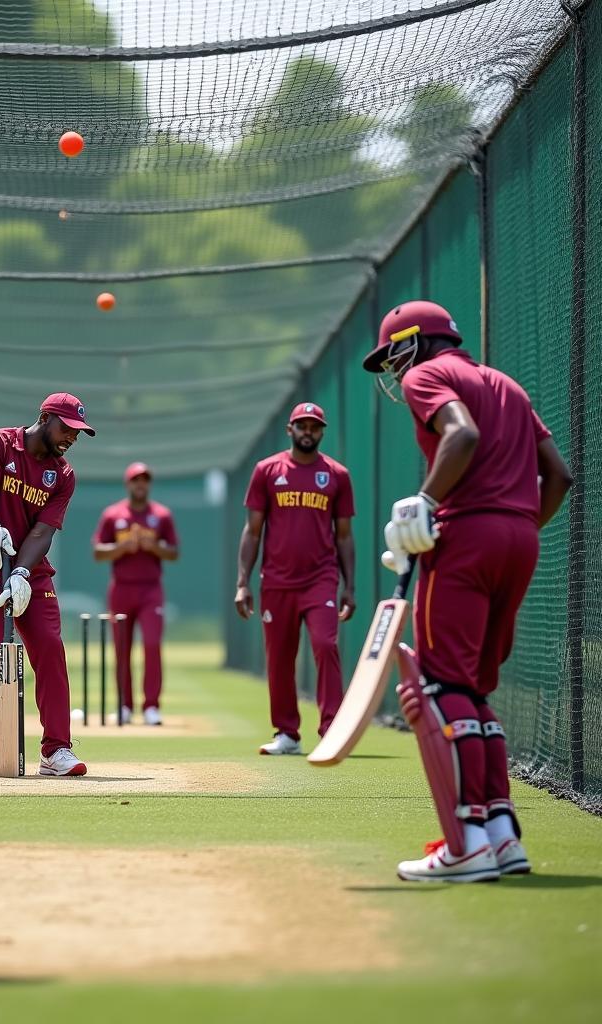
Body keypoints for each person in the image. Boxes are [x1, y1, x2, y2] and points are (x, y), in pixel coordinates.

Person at [364, 300, 571, 882]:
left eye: (392, 354)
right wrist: (519, 527)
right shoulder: (507, 383)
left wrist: (425, 503)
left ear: (415, 342)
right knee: (475, 690)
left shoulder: (431, 375)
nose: (394, 370)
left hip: (467, 535)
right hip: (520, 538)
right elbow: (558, 473)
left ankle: (466, 843)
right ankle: (502, 836)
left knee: (440, 685)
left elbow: (461, 434)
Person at [0, 393, 96, 777]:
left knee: (49, 644)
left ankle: (56, 750)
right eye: (67, 429)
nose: (71, 438)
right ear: (45, 418)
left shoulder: (63, 475)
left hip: (30, 566)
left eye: (78, 433)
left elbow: (44, 530)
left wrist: (23, 572)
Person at [234, 402, 357, 754]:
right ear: (290, 430)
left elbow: (345, 535)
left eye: (314, 426)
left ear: (322, 432)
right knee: (280, 657)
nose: (308, 431)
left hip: (321, 579)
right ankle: (287, 733)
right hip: (276, 581)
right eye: (301, 425)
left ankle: (332, 729)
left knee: (325, 644)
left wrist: (350, 586)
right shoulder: (267, 470)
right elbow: (253, 531)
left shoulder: (337, 475)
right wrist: (243, 582)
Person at [92, 462, 179, 725]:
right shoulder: (113, 514)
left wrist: (153, 546)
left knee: (152, 645)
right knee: (121, 649)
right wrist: (123, 546)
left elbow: (173, 553)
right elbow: (98, 552)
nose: (140, 484)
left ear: (149, 484)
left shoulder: (161, 515)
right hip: (121, 588)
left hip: (151, 589)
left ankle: (151, 706)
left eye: (144, 480)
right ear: (128, 484)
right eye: (135, 480)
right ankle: (125, 706)